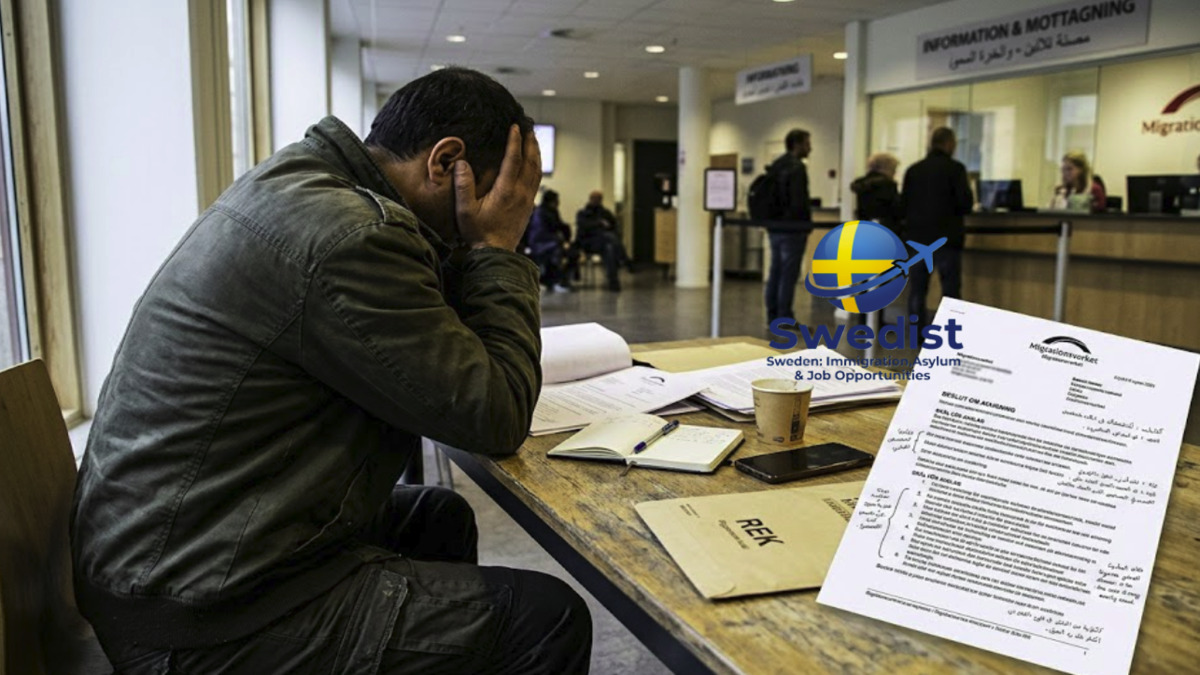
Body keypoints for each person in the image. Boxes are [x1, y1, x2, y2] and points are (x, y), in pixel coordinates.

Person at [71, 67, 592, 675]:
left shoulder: (305, 184)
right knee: (547, 619)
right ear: (446, 163)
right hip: (200, 619)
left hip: (170, 561)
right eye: (503, 198)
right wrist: (496, 248)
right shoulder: (354, 235)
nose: (506, 214)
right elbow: (493, 413)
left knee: (439, 519)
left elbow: (439, 346)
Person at [901, 127, 974, 326]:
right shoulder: (955, 169)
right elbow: (965, 203)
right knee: (950, 292)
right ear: (949, 143)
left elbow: (903, 204)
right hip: (947, 238)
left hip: (917, 238)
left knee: (917, 290)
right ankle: (950, 333)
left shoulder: (913, 170)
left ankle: (916, 333)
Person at [763, 128, 813, 324]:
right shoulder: (797, 167)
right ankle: (784, 315)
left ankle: (772, 314)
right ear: (797, 144)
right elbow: (798, 201)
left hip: (775, 226)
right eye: (807, 144)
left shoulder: (777, 164)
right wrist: (804, 224)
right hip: (792, 228)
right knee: (788, 273)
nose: (810, 148)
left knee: (775, 271)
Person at [575, 190, 629, 291]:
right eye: (595, 198)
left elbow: (614, 227)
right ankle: (625, 261)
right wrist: (599, 223)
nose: (597, 201)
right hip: (589, 242)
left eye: (599, 199)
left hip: (603, 244)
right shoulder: (583, 213)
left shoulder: (606, 213)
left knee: (610, 248)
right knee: (609, 238)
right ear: (590, 199)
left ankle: (613, 280)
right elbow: (583, 227)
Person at [526, 189, 576, 292]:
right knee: (556, 252)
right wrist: (561, 241)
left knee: (574, 253)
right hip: (540, 244)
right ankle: (555, 281)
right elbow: (541, 233)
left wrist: (566, 240)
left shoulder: (553, 212)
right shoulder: (540, 213)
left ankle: (562, 280)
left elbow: (560, 226)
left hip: (550, 241)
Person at [850, 153, 903, 233]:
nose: (895, 172)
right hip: (885, 227)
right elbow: (895, 207)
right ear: (887, 168)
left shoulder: (862, 183)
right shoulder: (887, 184)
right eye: (894, 169)